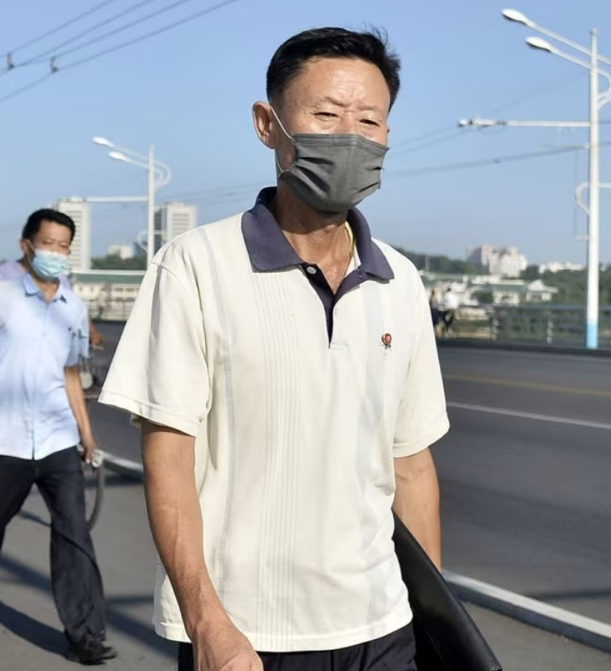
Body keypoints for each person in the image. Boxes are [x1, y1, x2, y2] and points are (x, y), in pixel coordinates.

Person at [99, 28, 448, 671]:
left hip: (384, 624)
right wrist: (206, 622)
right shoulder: (195, 266)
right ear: (268, 125)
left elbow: (412, 466)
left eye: (369, 120)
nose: (350, 136)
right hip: (248, 633)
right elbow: (168, 458)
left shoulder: (399, 280)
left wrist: (436, 622)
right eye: (325, 115)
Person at [0, 209, 117, 665]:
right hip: (3, 439)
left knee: (74, 534)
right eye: (49, 244)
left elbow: (71, 375)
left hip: (58, 439)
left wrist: (87, 435)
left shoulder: (73, 308)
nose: (56, 254)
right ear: (27, 245)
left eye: (64, 246)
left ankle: (85, 634)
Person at [0, 257, 105, 349]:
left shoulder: (58, 276)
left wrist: (91, 331)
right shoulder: (5, 273)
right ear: (26, 245)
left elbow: (74, 307)